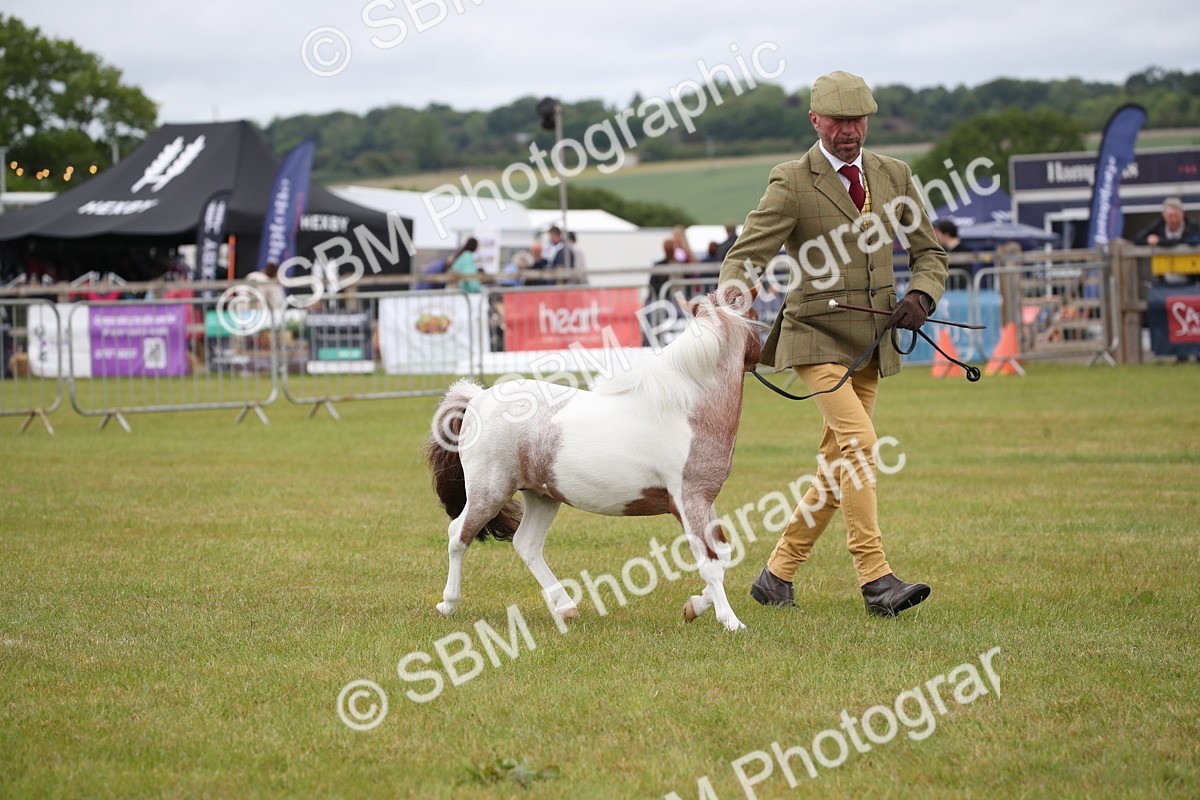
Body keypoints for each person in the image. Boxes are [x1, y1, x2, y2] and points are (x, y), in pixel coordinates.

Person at [719, 70, 948, 618]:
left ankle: (777, 575)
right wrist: (731, 306)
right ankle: (876, 578)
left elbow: (930, 254)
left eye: (859, 119)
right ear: (815, 120)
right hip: (813, 336)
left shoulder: (894, 175)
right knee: (862, 445)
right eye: (840, 120)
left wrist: (922, 297)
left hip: (871, 341)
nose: (850, 131)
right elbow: (747, 254)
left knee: (837, 462)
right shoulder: (792, 180)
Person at [1134, 197, 1200, 286]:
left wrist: (1161, 242)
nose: (1173, 220)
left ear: (1182, 214)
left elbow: (1193, 240)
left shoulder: (1192, 225)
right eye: (1170, 216)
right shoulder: (1159, 224)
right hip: (1164, 278)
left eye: (1176, 216)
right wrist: (1148, 239)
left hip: (1190, 278)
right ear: (1164, 216)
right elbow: (1138, 238)